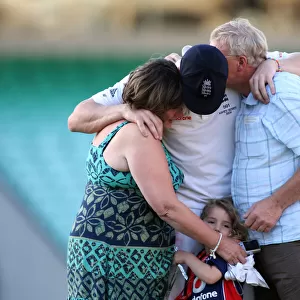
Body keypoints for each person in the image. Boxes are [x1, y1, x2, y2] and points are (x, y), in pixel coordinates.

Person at [67, 25, 300, 299]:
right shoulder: (163, 78)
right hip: (184, 223)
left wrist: (274, 63)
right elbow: (77, 118)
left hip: (233, 221)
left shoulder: (225, 64)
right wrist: (124, 110)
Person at [210, 18, 300, 300]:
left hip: (290, 242)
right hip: (262, 244)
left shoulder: (279, 93)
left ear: (240, 63)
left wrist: (276, 204)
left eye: (217, 58)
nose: (209, 65)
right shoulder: (249, 87)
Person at [174, 199, 248, 300]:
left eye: (226, 225)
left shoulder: (228, 254)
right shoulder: (201, 256)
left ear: (232, 232)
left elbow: (211, 276)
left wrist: (186, 257)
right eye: (211, 222)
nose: (217, 228)